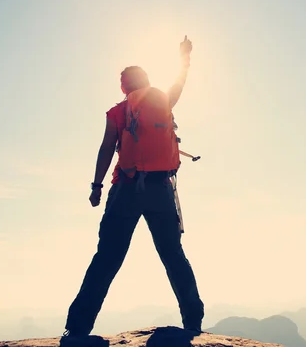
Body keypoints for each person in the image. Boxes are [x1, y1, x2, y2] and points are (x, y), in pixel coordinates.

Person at [61, 36, 204, 343]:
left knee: (107, 256)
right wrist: (184, 56)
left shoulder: (118, 112)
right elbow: (179, 82)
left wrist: (96, 186)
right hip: (160, 189)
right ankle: (193, 321)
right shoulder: (162, 100)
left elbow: (106, 148)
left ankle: (77, 327)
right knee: (173, 254)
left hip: (126, 188)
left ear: (124, 86)